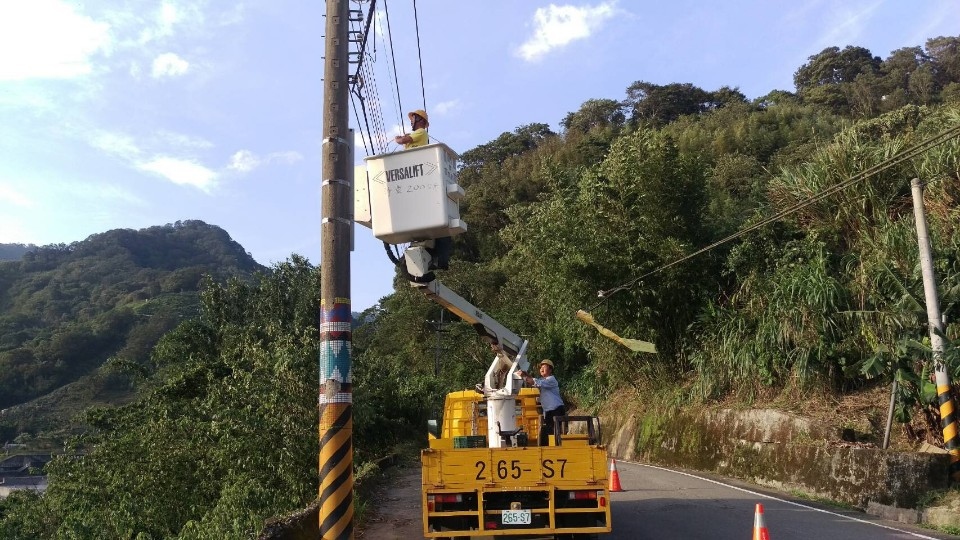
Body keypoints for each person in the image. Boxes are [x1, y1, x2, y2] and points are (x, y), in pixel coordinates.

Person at [520, 359, 567, 446]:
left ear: (550, 369)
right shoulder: (544, 381)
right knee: (550, 432)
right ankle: (553, 447)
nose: (541, 368)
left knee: (554, 432)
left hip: (556, 410)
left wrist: (523, 376)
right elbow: (535, 381)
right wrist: (526, 374)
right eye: (541, 367)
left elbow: (535, 382)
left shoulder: (551, 380)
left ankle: (556, 448)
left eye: (544, 367)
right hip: (549, 411)